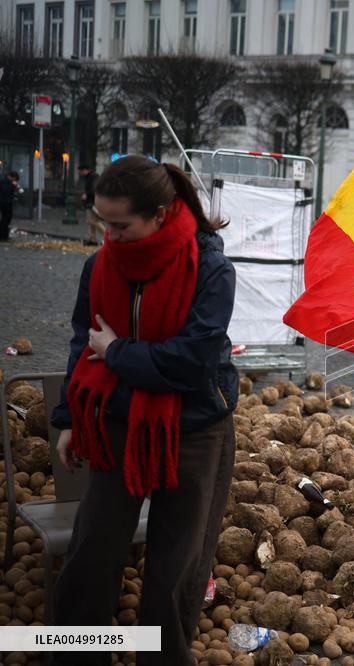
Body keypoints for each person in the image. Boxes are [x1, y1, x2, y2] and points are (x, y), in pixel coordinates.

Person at [50, 155, 238, 665]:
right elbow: (79, 340)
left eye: (120, 225)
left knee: (174, 569)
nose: (109, 236)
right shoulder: (101, 265)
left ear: (159, 213)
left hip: (195, 431)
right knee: (92, 554)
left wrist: (115, 353)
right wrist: (69, 419)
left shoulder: (212, 269)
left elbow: (191, 363)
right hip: (115, 424)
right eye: (102, 223)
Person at [79, 165, 103, 245]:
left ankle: (106, 235)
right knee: (91, 221)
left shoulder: (94, 177)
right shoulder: (89, 177)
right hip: (90, 202)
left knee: (93, 221)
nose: (81, 172)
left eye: (82, 170)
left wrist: (87, 194)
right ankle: (93, 239)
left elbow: (94, 189)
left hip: (93, 202)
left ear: (86, 170)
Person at [0, 170, 21, 242]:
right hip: (4, 202)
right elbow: (5, 190)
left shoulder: (9, 182)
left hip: (8, 202)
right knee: (5, 220)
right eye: (15, 179)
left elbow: (11, 191)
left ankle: (4, 236)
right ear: (12, 177)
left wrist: (16, 188)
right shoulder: (4, 181)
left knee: (7, 219)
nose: (15, 181)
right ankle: (3, 236)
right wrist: (12, 185)